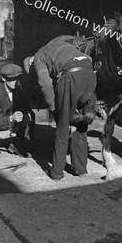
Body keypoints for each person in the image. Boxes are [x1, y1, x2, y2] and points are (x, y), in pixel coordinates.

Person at [32, 38, 97, 180]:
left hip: (71, 78)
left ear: (30, 62)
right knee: (82, 126)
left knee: (63, 127)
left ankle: (56, 172)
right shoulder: (64, 47)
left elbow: (45, 85)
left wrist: (54, 107)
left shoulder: (38, 57)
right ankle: (80, 169)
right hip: (90, 74)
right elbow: (88, 58)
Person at [0, 63, 35, 157]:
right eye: (12, 79)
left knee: (29, 116)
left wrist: (24, 115)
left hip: (10, 124)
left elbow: (26, 109)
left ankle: (17, 143)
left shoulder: (19, 90)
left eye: (18, 78)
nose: (15, 82)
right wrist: (11, 119)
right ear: (4, 79)